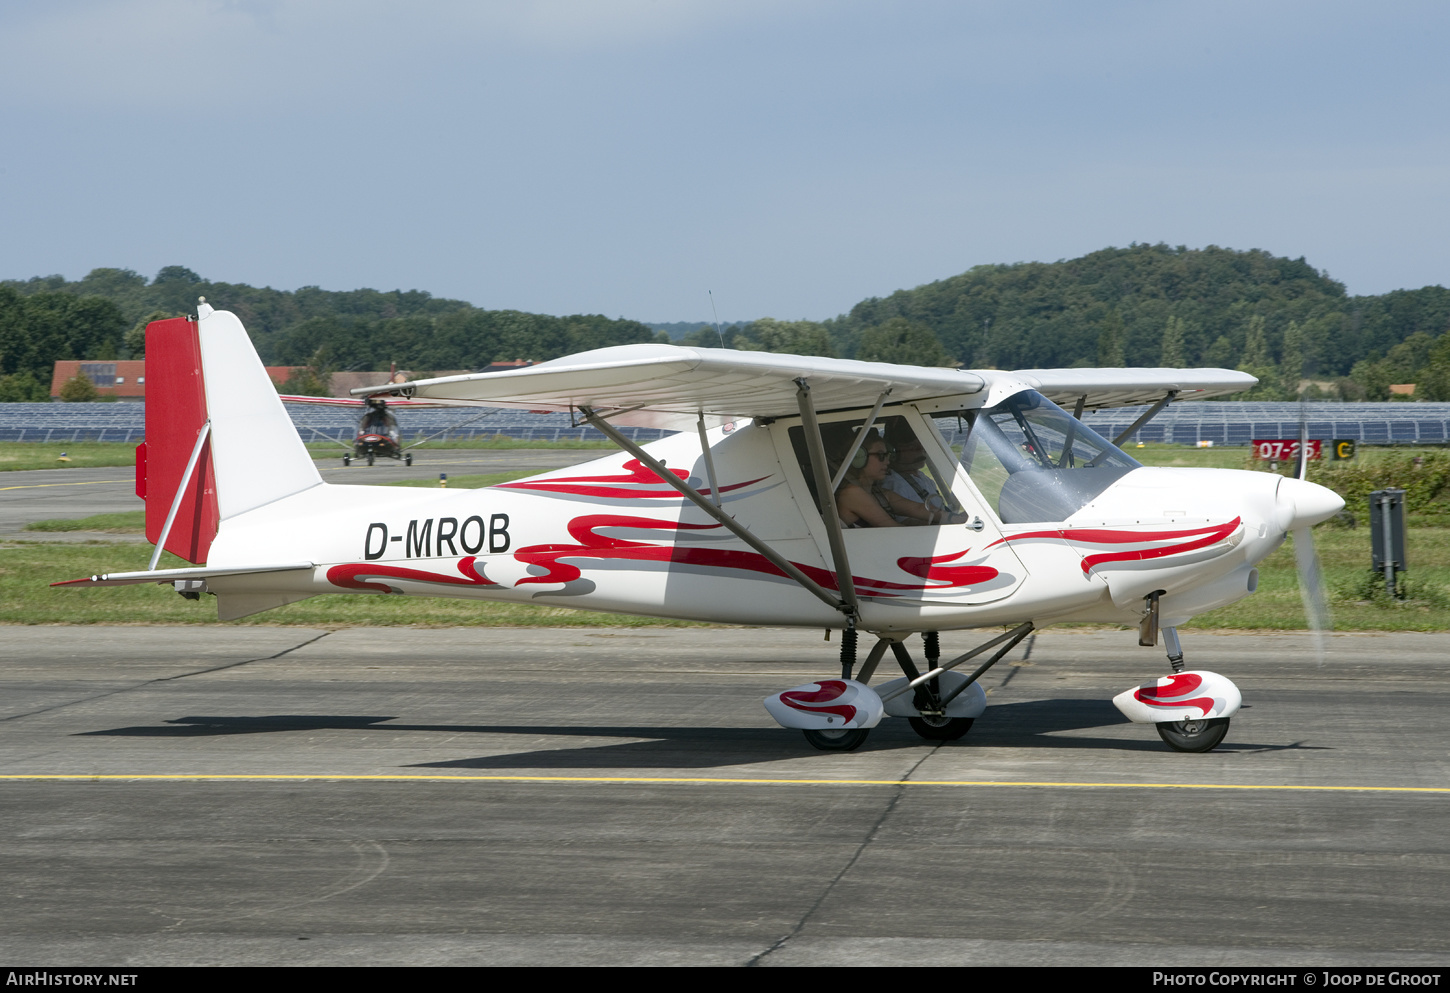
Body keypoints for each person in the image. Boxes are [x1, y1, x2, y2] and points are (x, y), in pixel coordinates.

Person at [880, 420, 967, 526]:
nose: (921, 450)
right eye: (913, 447)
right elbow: (907, 524)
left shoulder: (922, 477)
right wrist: (954, 520)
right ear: (893, 452)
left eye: (921, 444)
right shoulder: (894, 484)